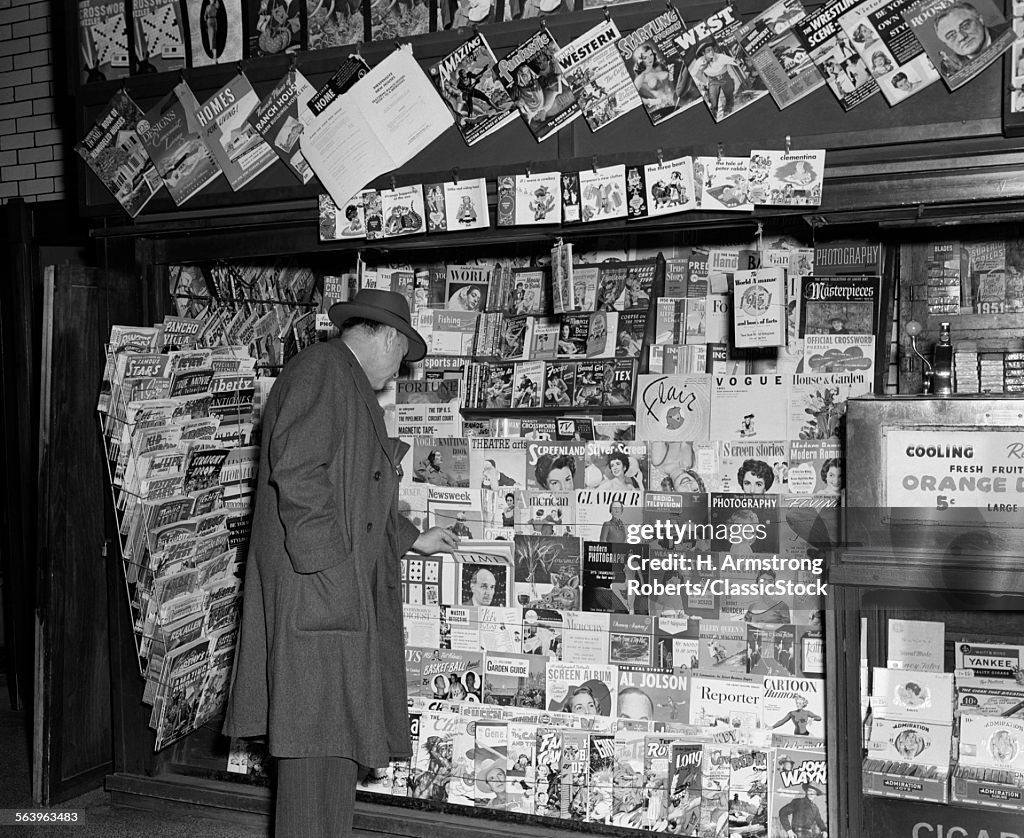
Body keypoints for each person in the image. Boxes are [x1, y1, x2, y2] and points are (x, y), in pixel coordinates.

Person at [223, 289, 460, 838]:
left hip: (330, 591)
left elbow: (354, 493)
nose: (398, 368)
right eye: (402, 355)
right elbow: (300, 475)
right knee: (315, 749)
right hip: (320, 595)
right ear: (390, 337)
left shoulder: (339, 378)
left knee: (334, 748)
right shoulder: (322, 371)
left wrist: (412, 538)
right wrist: (331, 575)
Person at [933, 1, 1007, 61]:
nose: (961, 37)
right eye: (951, 35)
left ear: (980, 20)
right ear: (946, 44)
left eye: (965, 26)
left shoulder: (1008, 30)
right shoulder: (953, 66)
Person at [692, 43, 744, 119]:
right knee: (713, 98)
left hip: (725, 78)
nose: (711, 52)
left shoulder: (720, 57)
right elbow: (694, 74)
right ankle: (713, 113)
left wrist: (739, 62)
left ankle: (728, 108)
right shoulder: (700, 62)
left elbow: (733, 61)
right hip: (712, 80)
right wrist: (703, 83)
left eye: (712, 49)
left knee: (729, 94)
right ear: (703, 53)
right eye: (708, 51)